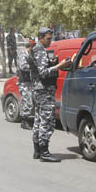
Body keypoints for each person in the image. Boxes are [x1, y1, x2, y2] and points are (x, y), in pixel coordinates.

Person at [30, 27, 71, 162]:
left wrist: (52, 63)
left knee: (38, 120)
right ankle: (44, 153)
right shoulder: (40, 50)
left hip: (38, 90)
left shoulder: (36, 49)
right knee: (47, 121)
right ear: (40, 38)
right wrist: (59, 65)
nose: (50, 41)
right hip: (44, 90)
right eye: (48, 38)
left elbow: (40, 69)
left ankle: (37, 151)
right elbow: (43, 73)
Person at [17, 39, 36, 130]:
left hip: (30, 81)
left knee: (30, 101)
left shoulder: (30, 55)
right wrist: (34, 67)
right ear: (30, 47)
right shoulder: (23, 54)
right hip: (24, 82)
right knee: (27, 102)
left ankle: (28, 120)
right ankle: (24, 121)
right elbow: (23, 66)